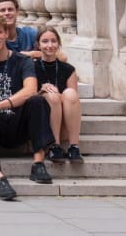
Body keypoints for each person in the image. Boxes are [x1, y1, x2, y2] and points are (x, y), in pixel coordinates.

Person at [0, 13, 54, 201]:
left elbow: (31, 89)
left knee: (37, 101)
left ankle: (38, 163)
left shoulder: (21, 60)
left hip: (16, 121)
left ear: (7, 33)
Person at [32, 27, 82, 163]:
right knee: (51, 95)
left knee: (70, 93)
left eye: (53, 41)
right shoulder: (31, 67)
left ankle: (74, 146)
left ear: (59, 43)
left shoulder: (68, 69)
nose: (49, 45)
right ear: (38, 45)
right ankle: (55, 146)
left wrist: (60, 96)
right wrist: (41, 91)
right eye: (45, 41)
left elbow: (73, 99)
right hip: (45, 122)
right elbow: (28, 98)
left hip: (65, 122)